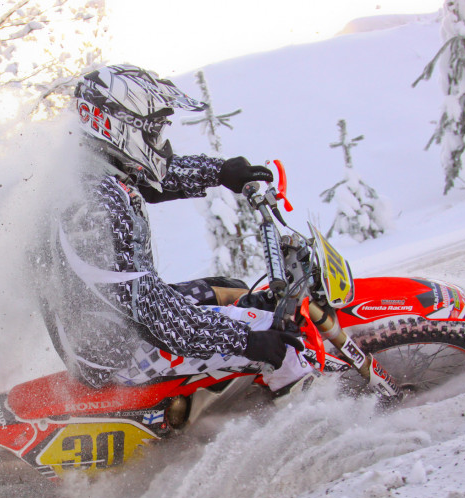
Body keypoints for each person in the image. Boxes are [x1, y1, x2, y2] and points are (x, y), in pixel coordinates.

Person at [32, 64, 311, 392]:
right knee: (285, 339)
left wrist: (220, 172)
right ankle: (306, 425)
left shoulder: (87, 168)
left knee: (234, 290)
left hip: (107, 328)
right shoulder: (94, 206)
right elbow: (153, 313)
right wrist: (248, 341)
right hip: (118, 352)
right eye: (154, 132)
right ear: (117, 126)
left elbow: (150, 177)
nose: (160, 142)